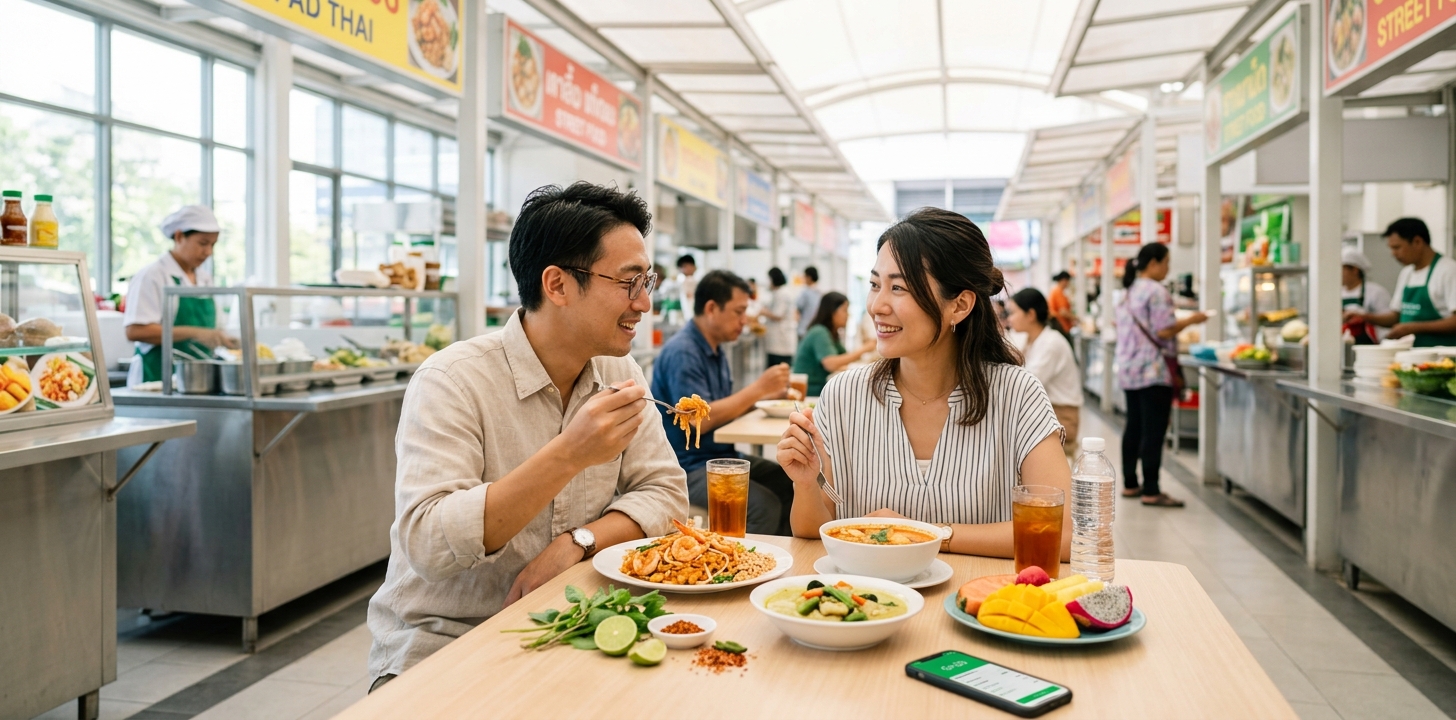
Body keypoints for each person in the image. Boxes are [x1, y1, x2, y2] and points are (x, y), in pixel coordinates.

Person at [366, 183, 688, 690]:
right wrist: (568, 454)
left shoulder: (619, 371)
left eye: (647, 281)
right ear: (557, 285)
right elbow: (427, 542)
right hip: (448, 641)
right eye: (629, 283)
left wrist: (576, 543)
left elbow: (667, 494)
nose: (644, 302)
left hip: (577, 627)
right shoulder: (452, 380)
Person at [777, 208, 1071, 559]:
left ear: (959, 305)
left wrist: (922, 534)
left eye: (899, 288)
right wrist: (806, 484)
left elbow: (1059, 534)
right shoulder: (843, 395)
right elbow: (812, 531)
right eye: (874, 285)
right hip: (872, 606)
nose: (877, 306)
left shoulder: (1017, 394)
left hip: (975, 606)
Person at [650, 270, 795, 535]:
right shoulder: (684, 352)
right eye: (738, 312)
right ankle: (743, 569)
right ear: (711, 308)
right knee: (764, 505)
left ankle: (781, 565)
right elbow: (696, 422)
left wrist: (763, 400)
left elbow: (722, 409)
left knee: (787, 480)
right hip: (687, 466)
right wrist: (757, 389)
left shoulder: (714, 348)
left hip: (720, 457)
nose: (744, 320)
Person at [1115, 243, 1207, 508]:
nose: (1167, 268)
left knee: (1133, 426)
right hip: (1153, 370)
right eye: (1166, 262)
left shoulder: (1128, 292)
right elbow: (1165, 330)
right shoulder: (1156, 291)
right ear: (1153, 263)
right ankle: (1152, 489)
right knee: (1154, 431)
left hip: (1130, 369)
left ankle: (1131, 483)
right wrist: (1193, 320)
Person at [124, 205, 238, 387]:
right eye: (203, 243)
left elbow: (214, 329)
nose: (209, 252)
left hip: (198, 382)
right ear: (179, 237)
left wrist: (226, 339)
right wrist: (195, 333)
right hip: (156, 381)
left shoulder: (205, 279)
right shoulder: (153, 276)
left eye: (212, 245)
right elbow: (135, 331)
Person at [1344, 218, 1456, 347]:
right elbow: (1396, 316)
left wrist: (1413, 328)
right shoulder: (1407, 273)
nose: (1393, 254)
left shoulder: (1448, 270)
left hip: (1442, 358)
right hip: (1409, 356)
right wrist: (1365, 317)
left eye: (1397, 247)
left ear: (1417, 242)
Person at [1007, 288, 1082, 456]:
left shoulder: (1051, 343)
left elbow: (1025, 385)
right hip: (1046, 413)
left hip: (1061, 417)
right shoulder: (1030, 339)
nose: (1009, 319)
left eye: (1012, 313)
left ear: (1030, 315)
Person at [792, 292, 875, 397]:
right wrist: (865, 349)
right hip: (811, 392)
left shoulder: (832, 334)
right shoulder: (819, 332)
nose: (848, 315)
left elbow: (842, 361)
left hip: (822, 388)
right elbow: (830, 364)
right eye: (844, 310)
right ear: (832, 312)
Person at [1339, 248, 1391, 344]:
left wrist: (1363, 317)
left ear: (1355, 270)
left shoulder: (1376, 292)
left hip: (1371, 346)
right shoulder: (1337, 293)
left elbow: (1388, 321)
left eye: (1341, 269)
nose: (1337, 274)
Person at [760, 267, 798, 368]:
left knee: (779, 371)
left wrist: (763, 312)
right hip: (778, 341)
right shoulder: (779, 293)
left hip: (780, 342)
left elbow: (778, 315)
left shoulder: (782, 293)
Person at [795, 266, 822, 339]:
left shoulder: (806, 293)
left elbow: (797, 309)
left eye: (804, 276)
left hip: (804, 329)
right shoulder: (820, 292)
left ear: (809, 277)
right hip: (815, 329)